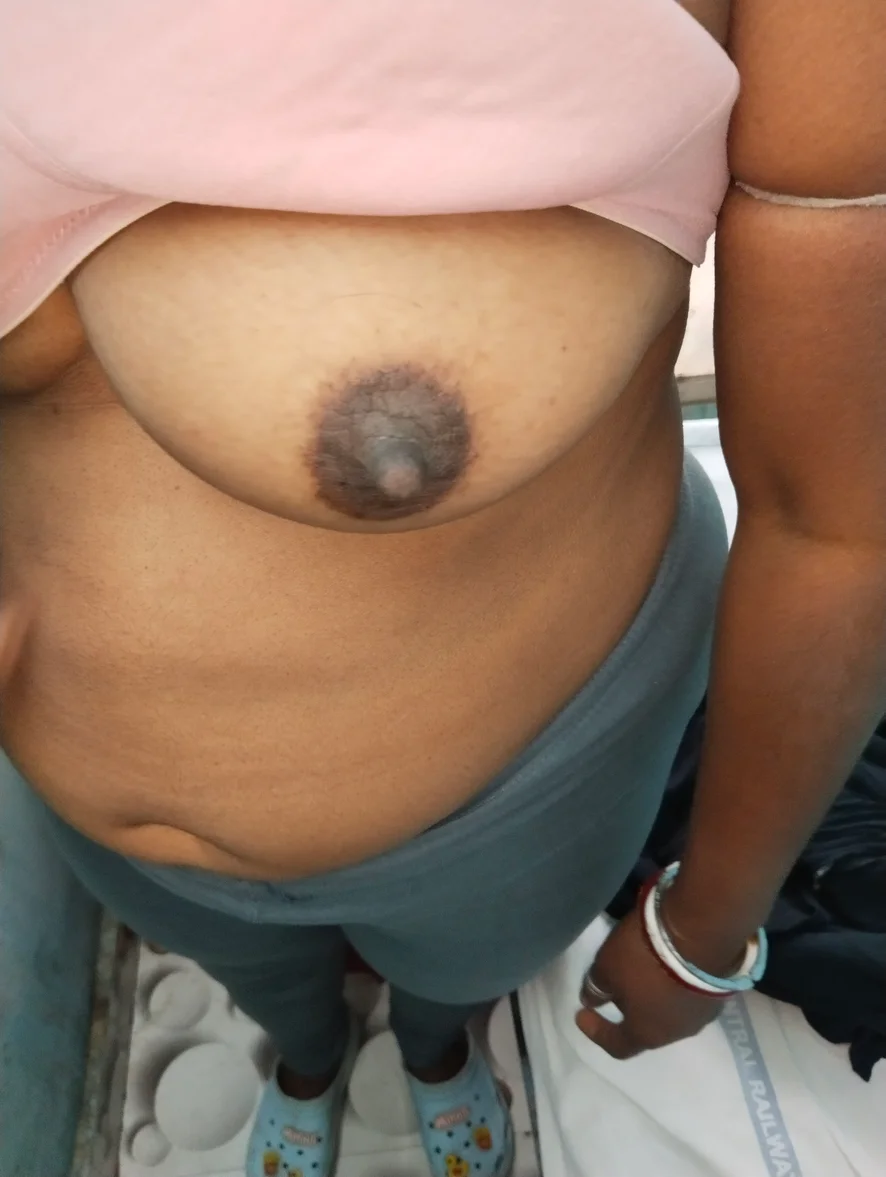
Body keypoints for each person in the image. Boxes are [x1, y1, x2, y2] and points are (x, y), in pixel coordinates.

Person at [0, 1, 883, 1174]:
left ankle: (431, 1048)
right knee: (268, 990)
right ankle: (304, 1058)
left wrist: (705, 927)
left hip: (512, 802)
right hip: (96, 815)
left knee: (453, 985)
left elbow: (831, 519)